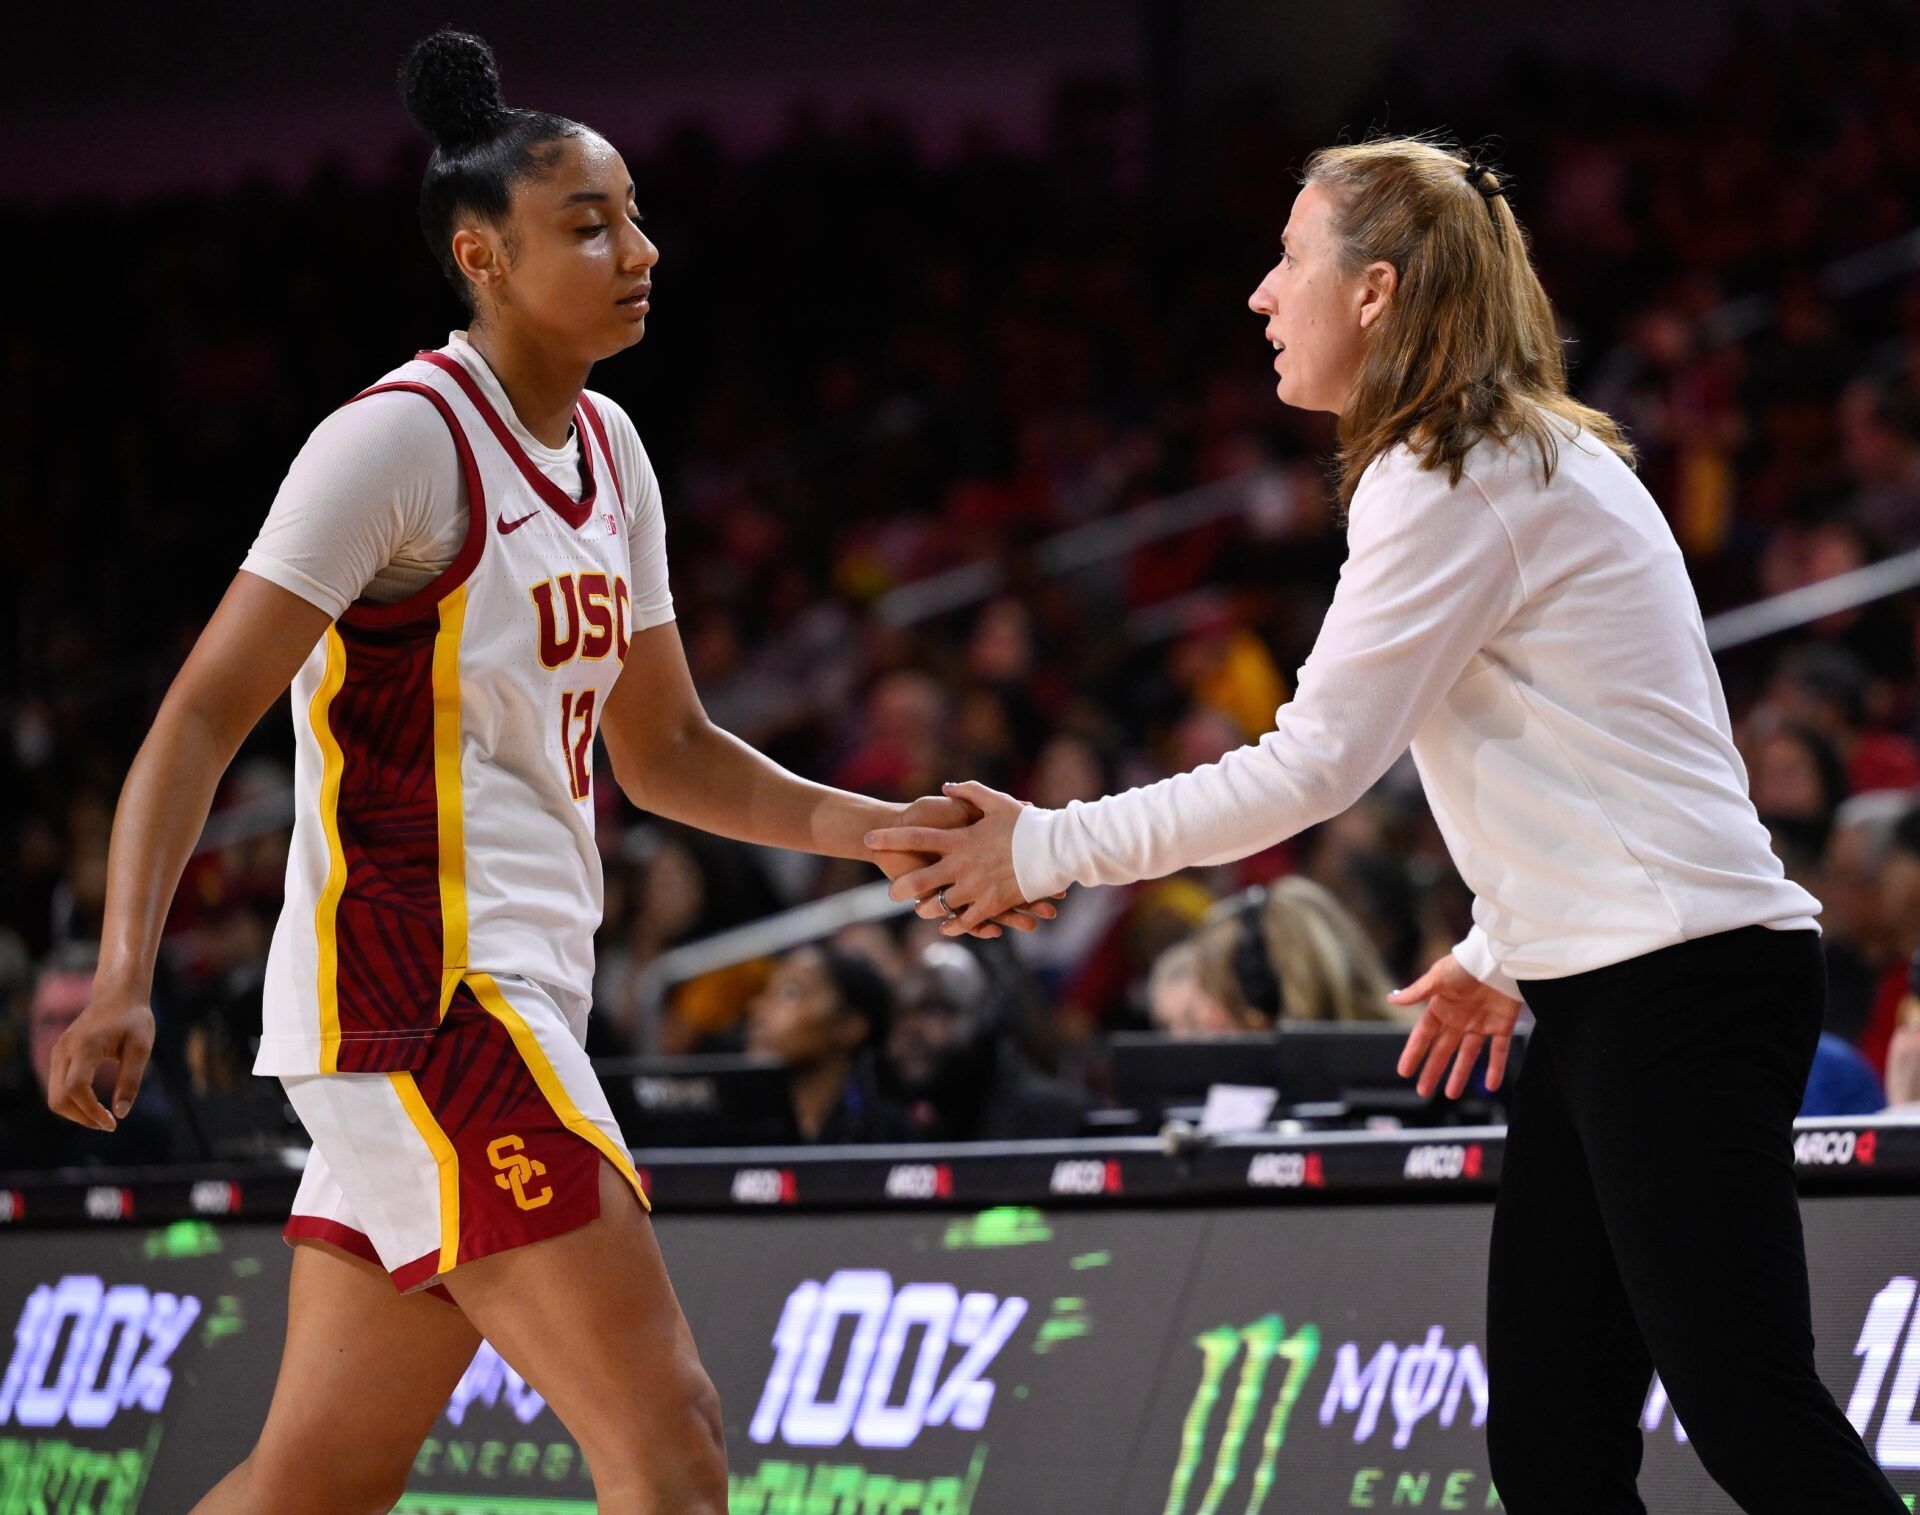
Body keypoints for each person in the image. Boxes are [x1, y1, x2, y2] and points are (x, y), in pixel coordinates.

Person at [40, 29, 1049, 1515]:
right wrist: (124, 966)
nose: (638, 247)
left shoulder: (611, 446)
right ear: (482, 256)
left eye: (634, 212)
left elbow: (668, 750)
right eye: (589, 224)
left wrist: (876, 829)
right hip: (426, 996)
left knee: (312, 1482)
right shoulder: (394, 442)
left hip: (501, 992)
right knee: (672, 1440)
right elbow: (197, 716)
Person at [870, 135, 1905, 1512]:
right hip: (1625, 980)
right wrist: (1502, 933)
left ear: (1372, 290)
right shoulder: (1510, 457)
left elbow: (1313, 769)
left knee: (1750, 1412)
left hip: (1680, 986)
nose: (1259, 292)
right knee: (1552, 1442)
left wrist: (1044, 842)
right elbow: (1617, 741)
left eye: (1288, 258)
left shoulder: (1456, 471)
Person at [883, 939, 1091, 1140]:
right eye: (901, 1013)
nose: (910, 1029)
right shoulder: (883, 1122)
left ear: (986, 1017)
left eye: (934, 1009)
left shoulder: (1053, 1117)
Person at [0, 943, 177, 1171]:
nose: (61, 1040)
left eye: (76, 1020)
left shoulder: (166, 1132)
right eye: (48, 1021)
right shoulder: (12, 1129)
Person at [743, 942, 914, 1143]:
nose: (758, 1008)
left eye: (789, 993)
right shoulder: (730, 1129)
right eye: (766, 992)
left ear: (850, 1026)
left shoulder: (891, 1139)